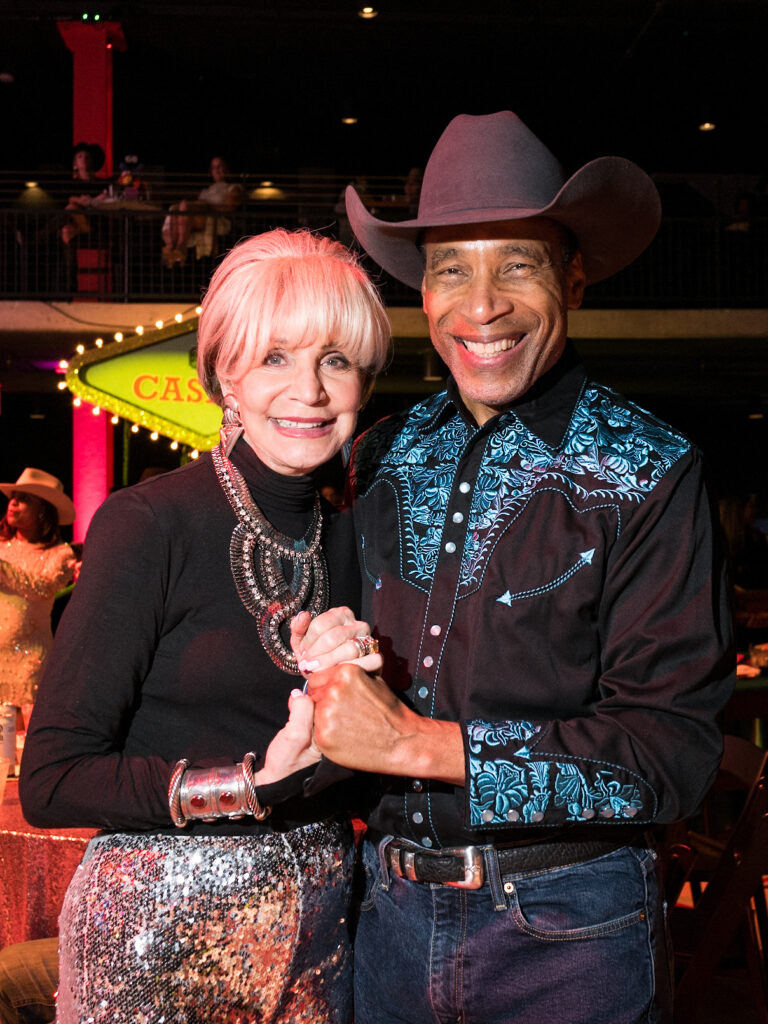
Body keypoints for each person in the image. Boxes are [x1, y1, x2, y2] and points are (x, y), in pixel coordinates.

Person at [294, 112, 735, 1024]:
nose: (481, 305)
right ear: (423, 290)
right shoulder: (377, 456)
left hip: (569, 932)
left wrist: (420, 744)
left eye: (519, 264)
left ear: (574, 276)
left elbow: (669, 755)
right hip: (382, 918)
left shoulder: (650, 469)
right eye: (452, 268)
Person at [20, 229, 390, 1023]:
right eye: (275, 358)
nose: (311, 391)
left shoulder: (355, 541)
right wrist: (252, 783)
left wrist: (364, 716)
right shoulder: (149, 522)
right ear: (226, 372)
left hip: (320, 933)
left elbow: (356, 775)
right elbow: (50, 780)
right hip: (162, 935)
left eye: (336, 360)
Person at [0, 468, 77, 711]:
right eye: (13, 497)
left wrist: (3, 569)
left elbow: (42, 587)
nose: (13, 504)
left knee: (27, 740)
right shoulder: (1, 546)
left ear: (43, 510)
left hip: (31, 659)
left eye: (24, 499)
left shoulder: (61, 554)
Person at [161, 155, 244, 266]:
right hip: (200, 215)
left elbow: (230, 208)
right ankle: (172, 248)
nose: (217, 170)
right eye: (214, 167)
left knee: (184, 205)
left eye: (220, 166)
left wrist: (208, 206)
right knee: (175, 208)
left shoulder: (233, 187)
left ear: (226, 169)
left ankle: (179, 248)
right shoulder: (207, 190)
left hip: (217, 218)